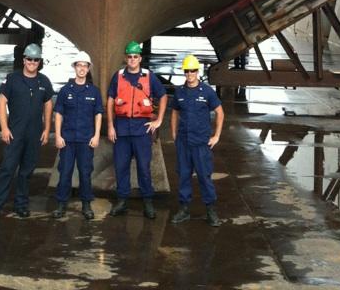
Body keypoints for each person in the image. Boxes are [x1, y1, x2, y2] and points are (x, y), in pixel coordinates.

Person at [0, 43, 53, 220]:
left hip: (34, 133)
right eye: (29, 59)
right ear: (24, 60)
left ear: (39, 62)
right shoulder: (12, 79)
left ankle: (21, 205)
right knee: (8, 169)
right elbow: (2, 102)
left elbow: (48, 104)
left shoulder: (44, 81)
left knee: (26, 171)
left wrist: (47, 129)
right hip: (15, 132)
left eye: (36, 60)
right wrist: (4, 128)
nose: (32, 62)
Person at [107, 39, 167, 219]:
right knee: (121, 167)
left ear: (140, 58)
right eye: (129, 56)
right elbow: (110, 100)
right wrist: (110, 125)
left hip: (142, 129)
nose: (132, 59)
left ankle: (147, 201)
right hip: (122, 129)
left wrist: (159, 120)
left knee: (143, 168)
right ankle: (122, 201)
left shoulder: (149, 76)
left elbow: (163, 96)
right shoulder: (118, 76)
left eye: (135, 56)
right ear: (126, 58)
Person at [170, 54, 224, 227]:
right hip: (183, 142)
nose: (190, 74)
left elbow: (220, 112)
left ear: (197, 71)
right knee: (183, 176)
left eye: (192, 70)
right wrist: (174, 134)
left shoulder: (207, 92)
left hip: (201, 143)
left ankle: (211, 211)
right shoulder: (179, 92)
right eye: (187, 71)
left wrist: (216, 136)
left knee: (204, 177)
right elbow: (174, 112)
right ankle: (184, 210)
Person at [52, 50, 103, 220]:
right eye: (79, 65)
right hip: (67, 140)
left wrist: (96, 135)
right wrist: (58, 136)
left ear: (88, 69)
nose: (81, 69)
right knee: (65, 172)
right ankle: (61, 204)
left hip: (86, 140)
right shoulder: (65, 90)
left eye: (84, 66)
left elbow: (98, 114)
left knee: (85, 173)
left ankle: (86, 205)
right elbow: (59, 114)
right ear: (74, 67)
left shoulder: (94, 92)